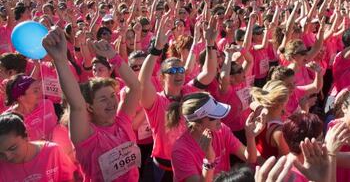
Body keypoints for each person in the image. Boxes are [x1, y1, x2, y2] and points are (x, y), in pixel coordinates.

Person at [42, 27, 141, 181]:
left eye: (112, 95)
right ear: (89, 106)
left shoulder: (122, 122)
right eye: (103, 99)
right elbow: (77, 105)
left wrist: (114, 56)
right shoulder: (87, 138)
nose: (111, 102)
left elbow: (135, 87)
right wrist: (60, 60)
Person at [139, 13, 218, 181]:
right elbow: (143, 82)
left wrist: (210, 45)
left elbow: (209, 72)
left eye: (181, 70)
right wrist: (156, 49)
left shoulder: (189, 92)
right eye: (173, 70)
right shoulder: (157, 101)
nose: (179, 73)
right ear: (162, 77)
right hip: (163, 169)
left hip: (189, 163)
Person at [170, 92, 262, 182]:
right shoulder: (180, 151)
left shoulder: (222, 130)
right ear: (197, 125)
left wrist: (250, 137)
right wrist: (209, 160)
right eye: (213, 117)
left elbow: (250, 158)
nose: (220, 119)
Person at [0, 113, 76, 181]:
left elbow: (68, 178)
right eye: (1, 154)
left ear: (26, 135)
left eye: (13, 148)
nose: (8, 156)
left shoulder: (52, 152)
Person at [250, 80, 290, 159]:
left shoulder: (258, 113)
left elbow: (252, 103)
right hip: (269, 168)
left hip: (258, 161)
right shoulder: (279, 131)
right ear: (281, 104)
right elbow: (284, 159)